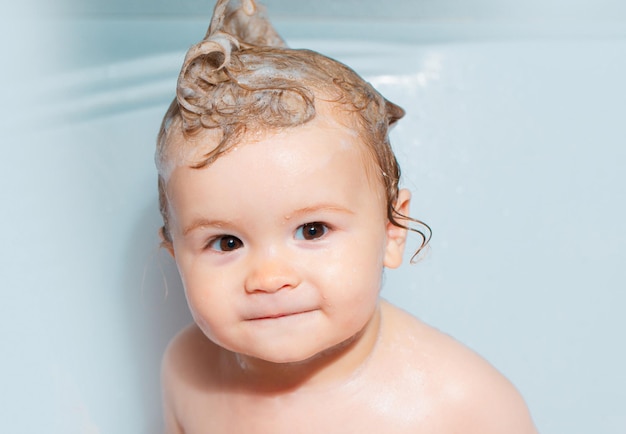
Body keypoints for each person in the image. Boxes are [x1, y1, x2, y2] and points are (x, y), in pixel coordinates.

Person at [156, 1, 538, 432]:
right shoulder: (186, 372)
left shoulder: (462, 407)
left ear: (392, 229)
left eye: (312, 230)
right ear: (175, 255)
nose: (268, 276)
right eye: (226, 242)